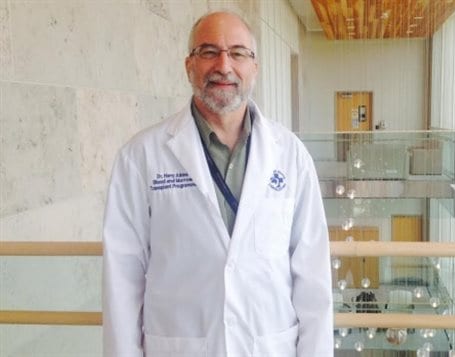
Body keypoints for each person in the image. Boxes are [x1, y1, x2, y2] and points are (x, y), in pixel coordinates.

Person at [102, 11, 333, 356]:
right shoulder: (140, 157)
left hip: (268, 346)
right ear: (189, 65)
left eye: (238, 53)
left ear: (254, 67)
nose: (224, 65)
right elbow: (122, 279)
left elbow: (313, 280)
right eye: (209, 51)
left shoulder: (292, 157)